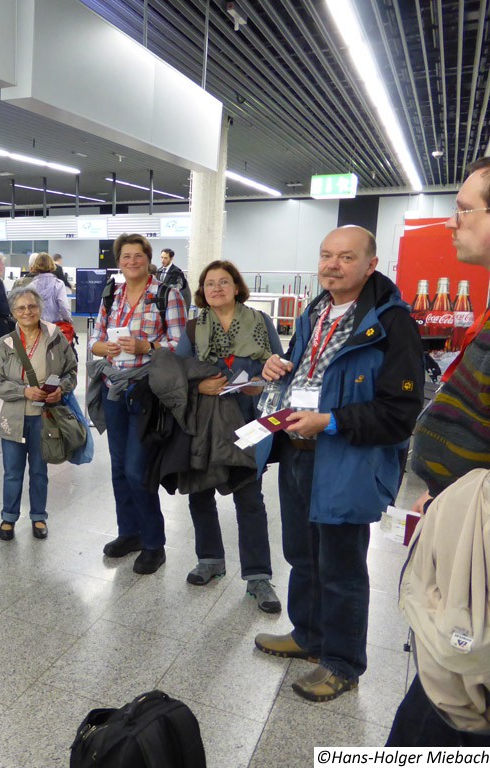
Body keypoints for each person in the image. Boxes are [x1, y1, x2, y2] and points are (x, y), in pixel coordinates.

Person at [252, 225, 423, 702]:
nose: (332, 265)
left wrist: (330, 421)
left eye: (346, 257)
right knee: (302, 555)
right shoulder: (316, 310)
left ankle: (343, 664)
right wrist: (278, 368)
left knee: (342, 567)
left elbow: (400, 412)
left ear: (371, 265)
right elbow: (308, 372)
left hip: (346, 458)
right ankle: (309, 634)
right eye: (326, 255)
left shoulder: (392, 323)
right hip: (298, 453)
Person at [386, 157, 490, 747]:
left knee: (436, 729)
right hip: (461, 548)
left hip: (479, 566)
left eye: (464, 210)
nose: (452, 223)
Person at [174, 260, 282, 613]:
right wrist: (200, 386)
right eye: (209, 283)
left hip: (248, 422)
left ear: (237, 287)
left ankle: (258, 576)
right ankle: (209, 559)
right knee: (200, 492)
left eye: (224, 282)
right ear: (202, 291)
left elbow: (280, 366)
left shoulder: (261, 322)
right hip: (204, 423)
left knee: (249, 498)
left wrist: (261, 384)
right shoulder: (194, 328)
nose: (216, 288)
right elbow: (177, 373)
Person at [89, 233, 187, 575]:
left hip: (147, 393)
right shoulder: (111, 294)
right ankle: (129, 532)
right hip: (113, 390)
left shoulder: (167, 294)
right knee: (118, 468)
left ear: (149, 258)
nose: (132, 261)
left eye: (138, 255)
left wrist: (147, 347)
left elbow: (180, 345)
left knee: (136, 469)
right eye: (126, 256)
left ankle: (153, 543)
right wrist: (104, 348)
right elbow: (95, 339)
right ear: (119, 261)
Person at [0, 286, 77, 540]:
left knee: (39, 471)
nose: (27, 312)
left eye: (32, 306)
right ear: (13, 312)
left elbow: (71, 371)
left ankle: (38, 516)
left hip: (45, 417)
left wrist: (61, 389)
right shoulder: (3, 345)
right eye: (21, 308)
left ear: (40, 308)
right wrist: (23, 391)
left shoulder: (56, 338)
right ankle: (8, 517)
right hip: (12, 418)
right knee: (12, 472)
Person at [27, 252, 72, 329]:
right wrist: (68, 320)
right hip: (54, 327)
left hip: (37, 327)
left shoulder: (31, 286)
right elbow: (63, 305)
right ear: (51, 264)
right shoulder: (58, 284)